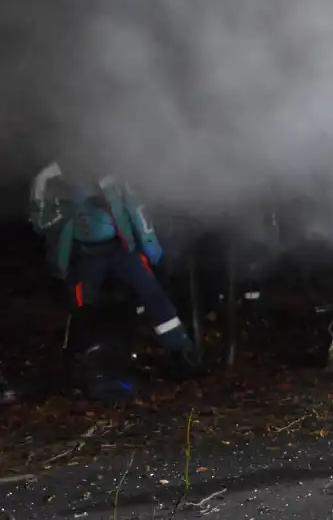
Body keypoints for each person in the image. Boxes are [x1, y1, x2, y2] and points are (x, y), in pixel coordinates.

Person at [29, 160, 203, 381]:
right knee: (81, 304)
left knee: (151, 290)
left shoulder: (115, 179)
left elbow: (137, 212)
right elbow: (41, 224)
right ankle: (78, 361)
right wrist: (62, 196)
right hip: (85, 255)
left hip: (121, 249)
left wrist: (153, 251)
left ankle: (181, 352)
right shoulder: (57, 183)